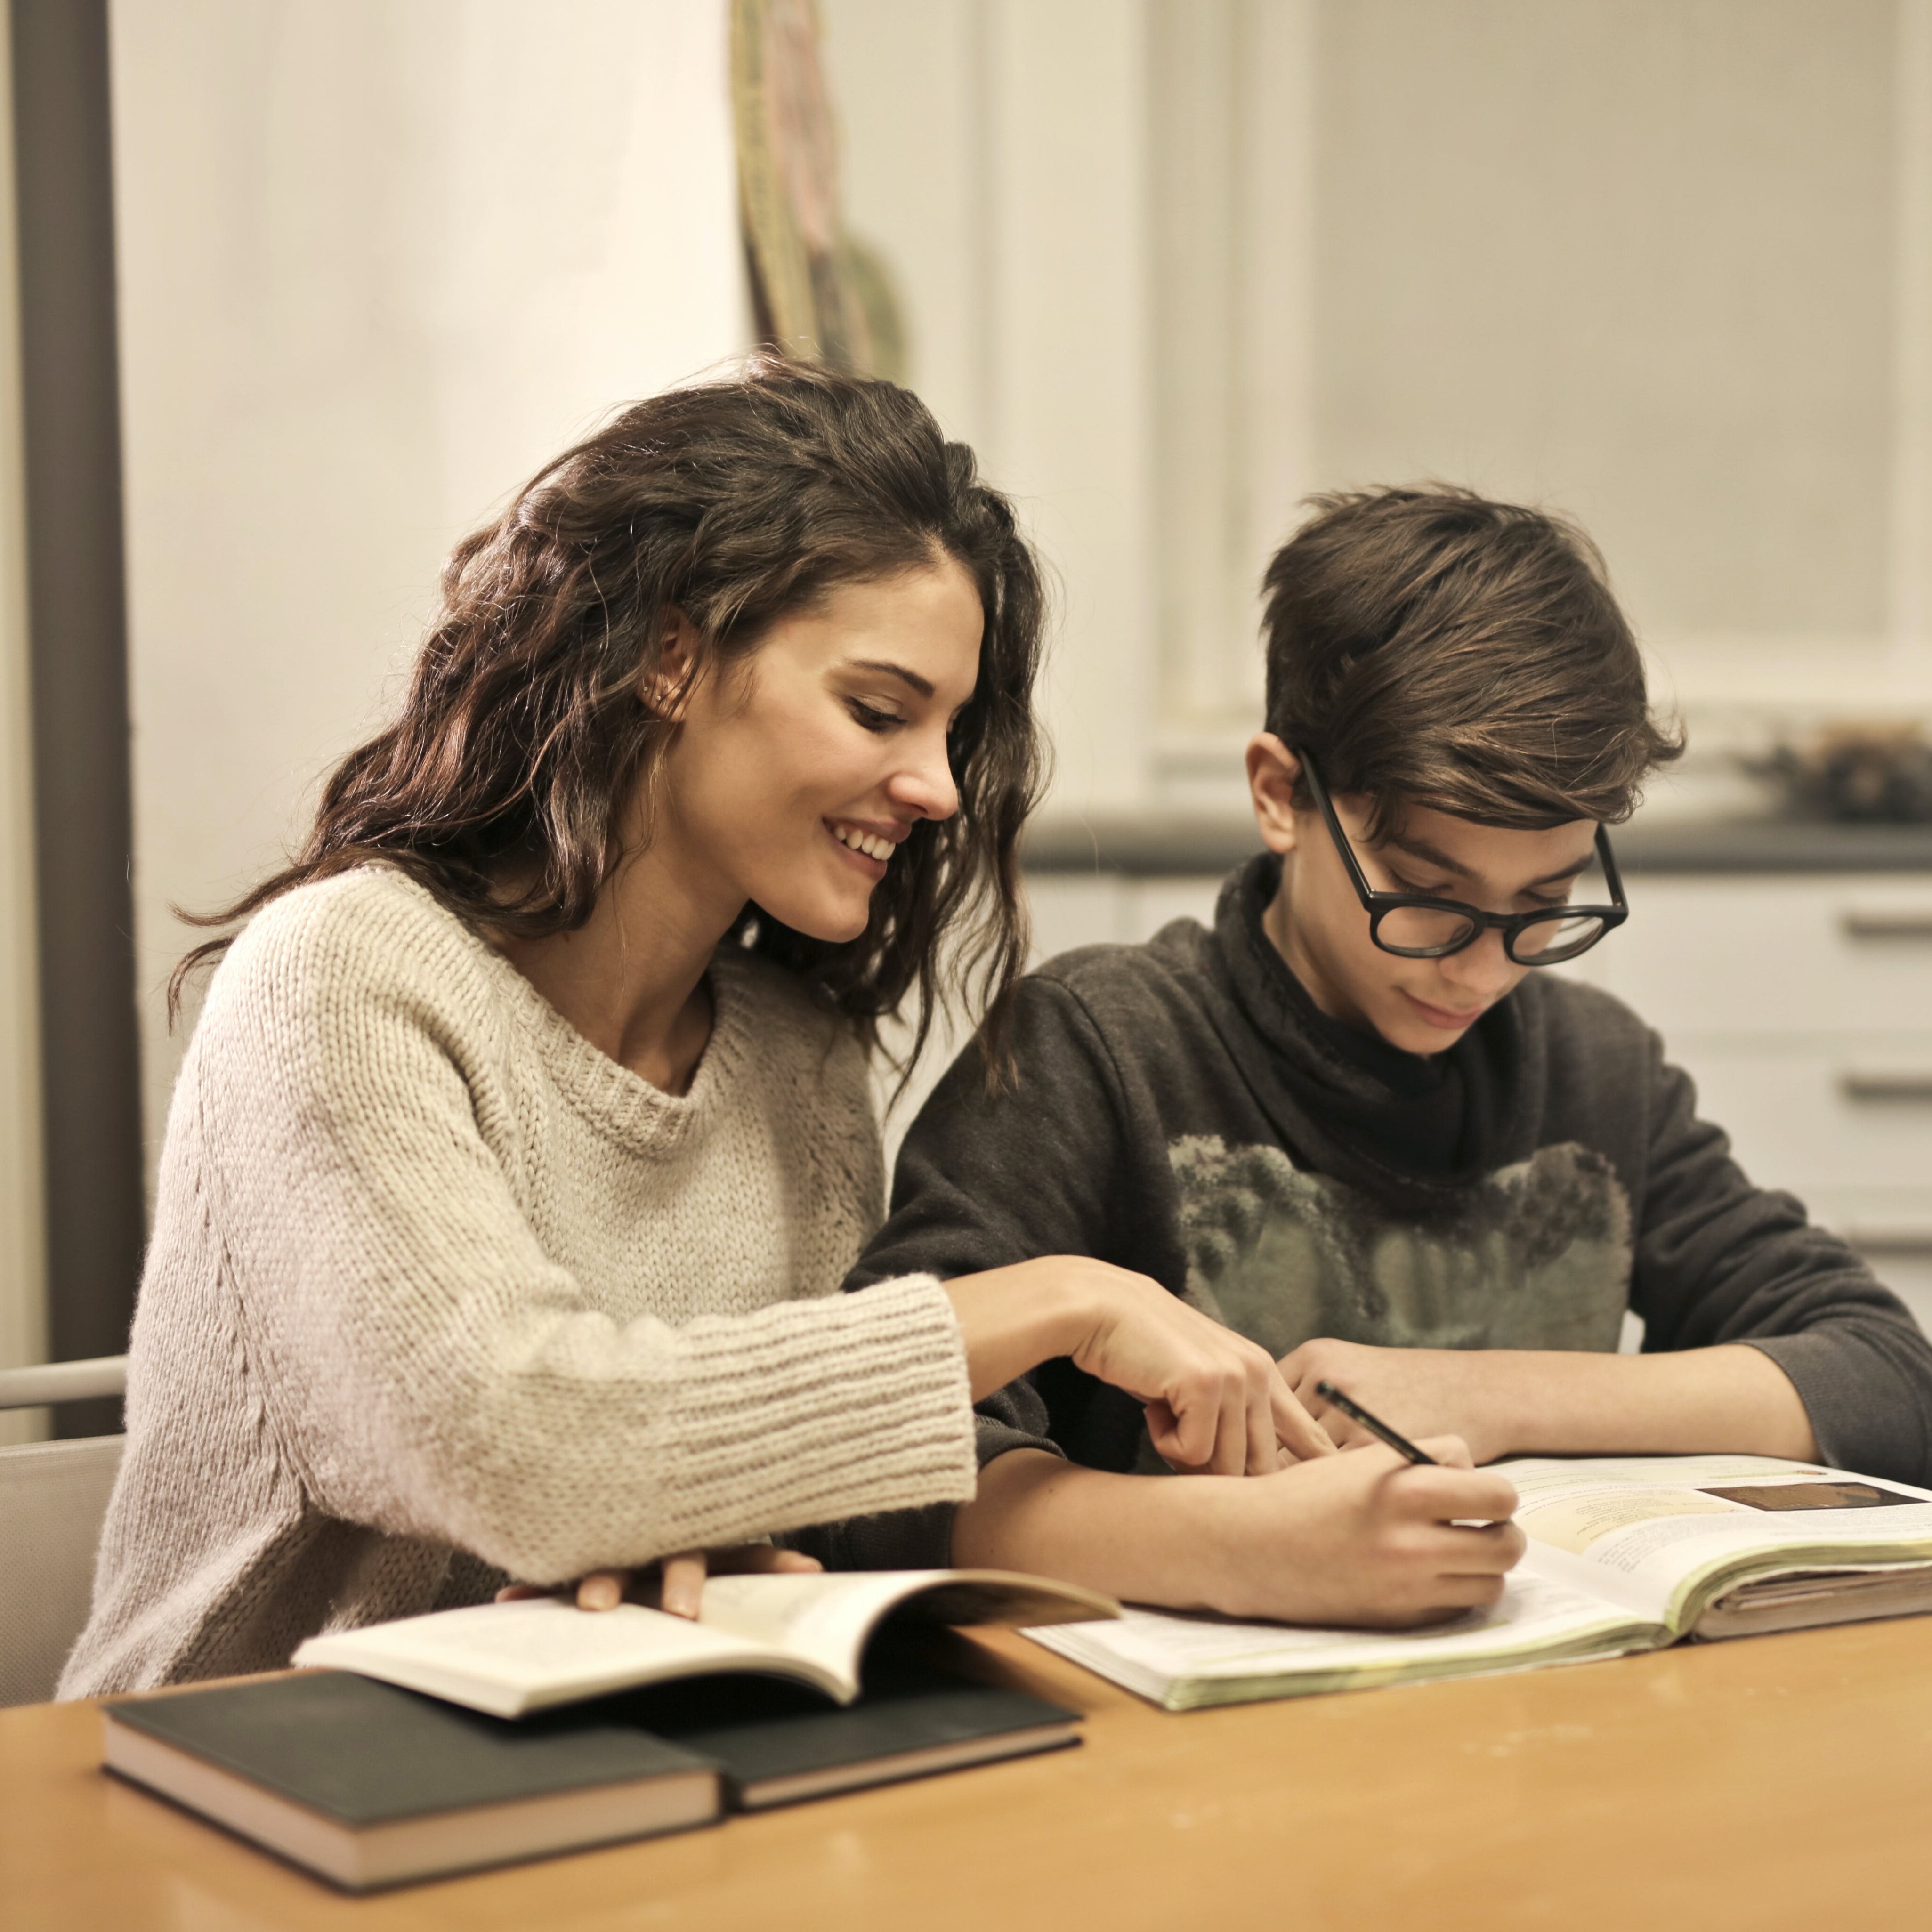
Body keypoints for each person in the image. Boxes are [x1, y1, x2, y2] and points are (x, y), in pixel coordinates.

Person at [59, 359, 1333, 1698]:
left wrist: (703, 1548)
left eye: (953, 731)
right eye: (881, 710)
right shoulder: (342, 980)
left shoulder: (796, 1060)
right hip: (217, 1796)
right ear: (673, 654)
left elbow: (737, 1497)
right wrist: (1060, 1297)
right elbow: (526, 1448)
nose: (938, 788)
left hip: (606, 1777)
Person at [849, 486, 1932, 1626]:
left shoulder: (1595, 1070)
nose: (1479, 969)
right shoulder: (1094, 1050)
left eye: (1544, 902)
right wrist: (1233, 1548)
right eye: (1425, 896)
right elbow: (867, 1457)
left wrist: (1486, 1393)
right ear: (1280, 795)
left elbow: (1889, 1375)